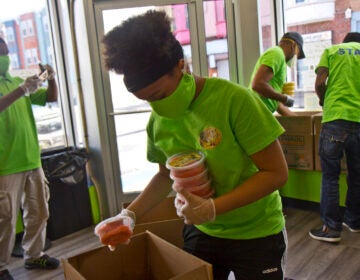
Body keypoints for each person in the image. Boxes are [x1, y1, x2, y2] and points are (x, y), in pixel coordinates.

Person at [98, 10, 290, 279]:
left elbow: (276, 173)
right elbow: (165, 175)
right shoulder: (157, 123)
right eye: (147, 100)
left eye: (160, 95)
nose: (157, 107)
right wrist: (130, 215)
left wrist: (213, 208)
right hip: (201, 232)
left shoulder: (235, 100)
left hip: (257, 232)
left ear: (181, 65)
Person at [0, 38, 59, 280]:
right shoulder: (17, 87)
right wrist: (23, 90)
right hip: (5, 165)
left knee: (39, 210)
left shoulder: (15, 82)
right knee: (5, 219)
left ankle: (34, 255)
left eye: (5, 51)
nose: (5, 57)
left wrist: (51, 77)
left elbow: (50, 98)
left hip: (31, 159)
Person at [309, 32, 360, 243]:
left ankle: (331, 228)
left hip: (336, 120)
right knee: (357, 175)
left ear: (345, 41)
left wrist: (323, 100)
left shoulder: (331, 51)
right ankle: (354, 221)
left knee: (330, 175)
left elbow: (320, 83)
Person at [249, 32, 306, 116]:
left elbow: (276, 104)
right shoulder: (277, 53)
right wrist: (284, 98)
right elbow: (257, 85)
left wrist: (302, 122)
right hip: (255, 112)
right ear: (293, 46)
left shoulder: (281, 60)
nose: (296, 57)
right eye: (297, 53)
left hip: (260, 112)